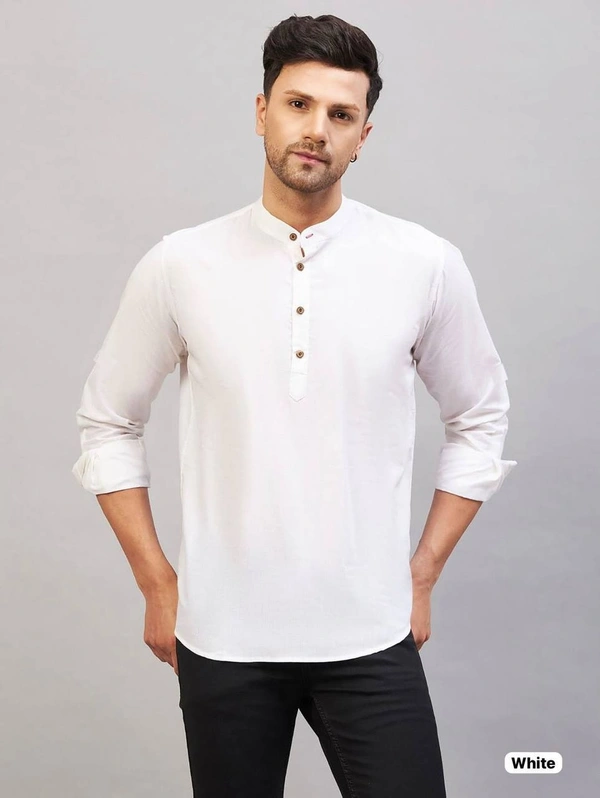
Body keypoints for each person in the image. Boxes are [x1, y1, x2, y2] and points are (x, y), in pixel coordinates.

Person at [71, 13, 517, 798]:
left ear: (363, 136)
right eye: (298, 104)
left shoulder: (423, 265)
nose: (316, 129)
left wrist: (422, 573)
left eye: (340, 114)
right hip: (223, 638)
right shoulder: (181, 265)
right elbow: (108, 422)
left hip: (369, 633)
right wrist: (156, 583)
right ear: (261, 112)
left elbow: (479, 417)